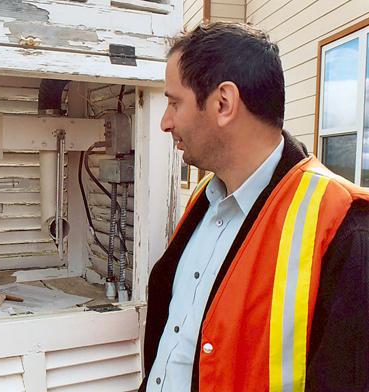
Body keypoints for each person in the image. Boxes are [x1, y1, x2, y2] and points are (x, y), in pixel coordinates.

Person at [140, 22, 369, 392]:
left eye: (174, 102)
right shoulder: (205, 198)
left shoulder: (345, 229)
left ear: (223, 103)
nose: (166, 122)